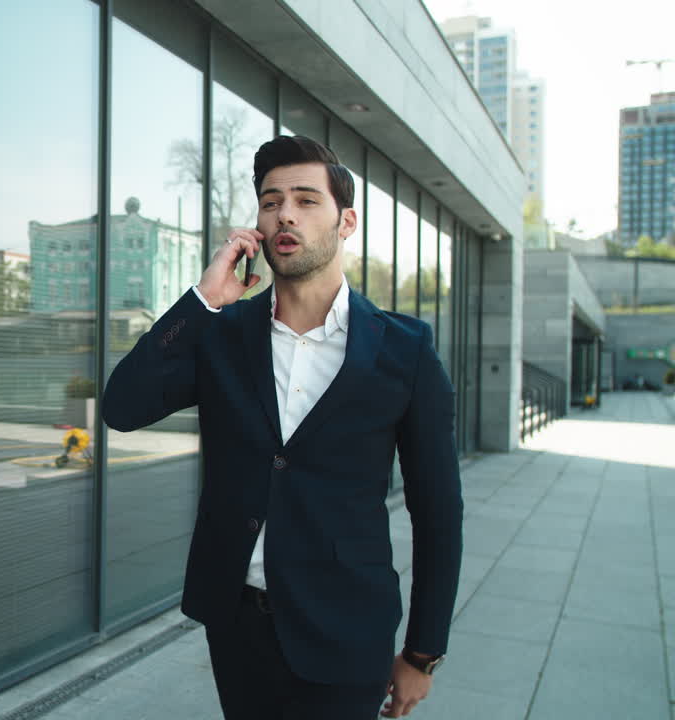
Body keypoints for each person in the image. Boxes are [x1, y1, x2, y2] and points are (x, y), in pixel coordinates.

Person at [103, 136, 462, 719]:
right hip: (237, 626)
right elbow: (122, 406)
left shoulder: (405, 350)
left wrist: (423, 653)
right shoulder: (222, 333)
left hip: (349, 631)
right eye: (271, 202)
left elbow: (438, 509)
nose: (285, 213)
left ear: (346, 222)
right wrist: (201, 300)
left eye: (305, 199)